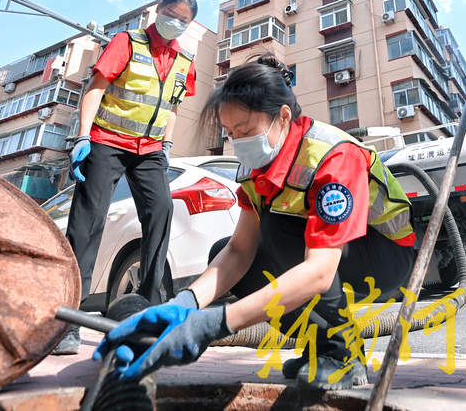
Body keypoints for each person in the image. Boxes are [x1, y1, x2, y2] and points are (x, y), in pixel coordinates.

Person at [94, 55, 417, 389]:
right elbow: (237, 251)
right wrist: (186, 304)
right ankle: (319, 347)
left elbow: (320, 270)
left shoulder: (332, 155)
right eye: (231, 133)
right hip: (324, 252)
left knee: (278, 229)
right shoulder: (254, 168)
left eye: (246, 130)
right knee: (230, 254)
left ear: (284, 117)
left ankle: (342, 355)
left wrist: (214, 324)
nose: (238, 141)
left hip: (385, 253)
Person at [54, 0, 199, 355]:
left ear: (188, 24)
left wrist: (166, 146)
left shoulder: (185, 59)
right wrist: (83, 136)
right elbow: (96, 88)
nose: (174, 22)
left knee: (161, 212)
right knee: (88, 224)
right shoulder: (128, 42)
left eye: (182, 19)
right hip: (106, 141)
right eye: (170, 13)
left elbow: (172, 107)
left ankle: (149, 307)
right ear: (158, 11)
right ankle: (67, 322)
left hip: (149, 149)